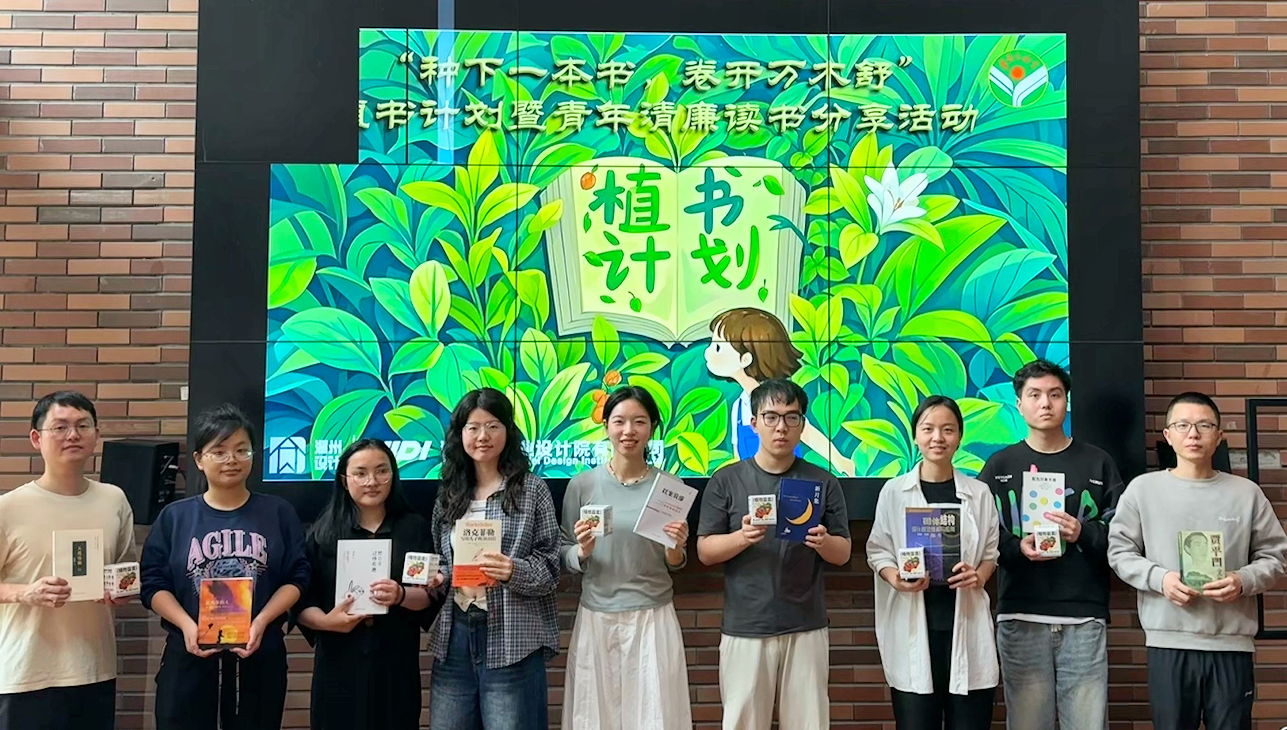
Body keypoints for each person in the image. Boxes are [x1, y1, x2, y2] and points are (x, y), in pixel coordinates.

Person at [1109, 392, 1287, 730]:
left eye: (1204, 425)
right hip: (1168, 641)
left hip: (1231, 644)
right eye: (1183, 425)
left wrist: (1242, 581)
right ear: (1168, 435)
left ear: (1219, 436)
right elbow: (1119, 551)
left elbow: (1275, 556)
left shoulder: (1246, 493)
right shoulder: (1143, 490)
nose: (1193, 434)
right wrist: (1160, 579)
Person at [140, 404, 310, 730]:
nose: (231, 459)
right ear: (199, 460)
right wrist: (187, 626)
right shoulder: (175, 517)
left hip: (259, 654)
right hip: (188, 655)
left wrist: (261, 620)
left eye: (241, 450)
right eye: (219, 452)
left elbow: (298, 576)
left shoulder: (278, 513)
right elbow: (152, 583)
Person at [696, 378, 851, 730]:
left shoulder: (823, 482)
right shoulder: (726, 480)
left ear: (802, 424)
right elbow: (705, 551)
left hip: (806, 625)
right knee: (743, 723)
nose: (781, 427)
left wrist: (823, 541)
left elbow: (843, 553)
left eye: (791, 417)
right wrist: (742, 538)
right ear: (754, 423)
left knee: (809, 723)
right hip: (745, 626)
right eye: (771, 417)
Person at [977, 359, 1124, 730]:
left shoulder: (1098, 462)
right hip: (1020, 614)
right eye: (1035, 395)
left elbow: (1123, 533)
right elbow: (980, 535)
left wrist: (1082, 532)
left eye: (1055, 395)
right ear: (1019, 403)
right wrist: (1017, 548)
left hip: (1083, 616)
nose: (1045, 403)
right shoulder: (999, 465)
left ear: (1067, 402)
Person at [0, 392, 136, 730]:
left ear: (96, 435)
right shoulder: (8, 508)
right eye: (60, 427)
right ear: (37, 438)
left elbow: (126, 574)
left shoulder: (114, 500)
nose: (72, 435)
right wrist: (25, 593)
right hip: (27, 673)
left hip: (94, 670)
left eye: (82, 426)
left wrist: (121, 591)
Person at [428, 388, 561, 730]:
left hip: (511, 635)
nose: (482, 436)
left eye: (492, 426)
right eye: (472, 428)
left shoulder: (532, 489)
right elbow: (443, 559)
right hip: (455, 633)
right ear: (460, 435)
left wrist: (512, 570)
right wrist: (437, 577)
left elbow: (551, 566)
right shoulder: (449, 492)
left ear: (508, 431)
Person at [561, 386, 692, 730]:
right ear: (606, 425)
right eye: (619, 421)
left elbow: (674, 561)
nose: (628, 431)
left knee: (655, 715)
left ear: (653, 427)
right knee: (595, 716)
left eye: (639, 421)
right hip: (597, 615)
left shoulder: (669, 485)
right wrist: (581, 551)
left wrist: (675, 547)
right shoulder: (582, 485)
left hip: (653, 616)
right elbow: (563, 551)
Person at [867, 395, 999, 730]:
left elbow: (990, 555)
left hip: (965, 624)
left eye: (948, 429)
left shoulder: (979, 493)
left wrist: (979, 576)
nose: (937, 437)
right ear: (915, 435)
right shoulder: (894, 492)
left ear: (959, 436)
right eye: (928, 429)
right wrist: (895, 577)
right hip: (914, 624)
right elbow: (878, 550)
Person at [295, 438, 444, 730]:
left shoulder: (414, 528)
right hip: (338, 663)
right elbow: (301, 600)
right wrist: (326, 622)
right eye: (360, 473)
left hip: (396, 662)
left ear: (393, 475)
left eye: (381, 471)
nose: (372, 481)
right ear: (344, 479)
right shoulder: (322, 533)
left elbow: (429, 594)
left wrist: (400, 595)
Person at [704, 307, 854, 475]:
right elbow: (738, 455)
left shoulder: (781, 400)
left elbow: (808, 434)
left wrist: (840, 462)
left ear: (745, 359)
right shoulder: (739, 406)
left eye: (718, 347)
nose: (707, 353)